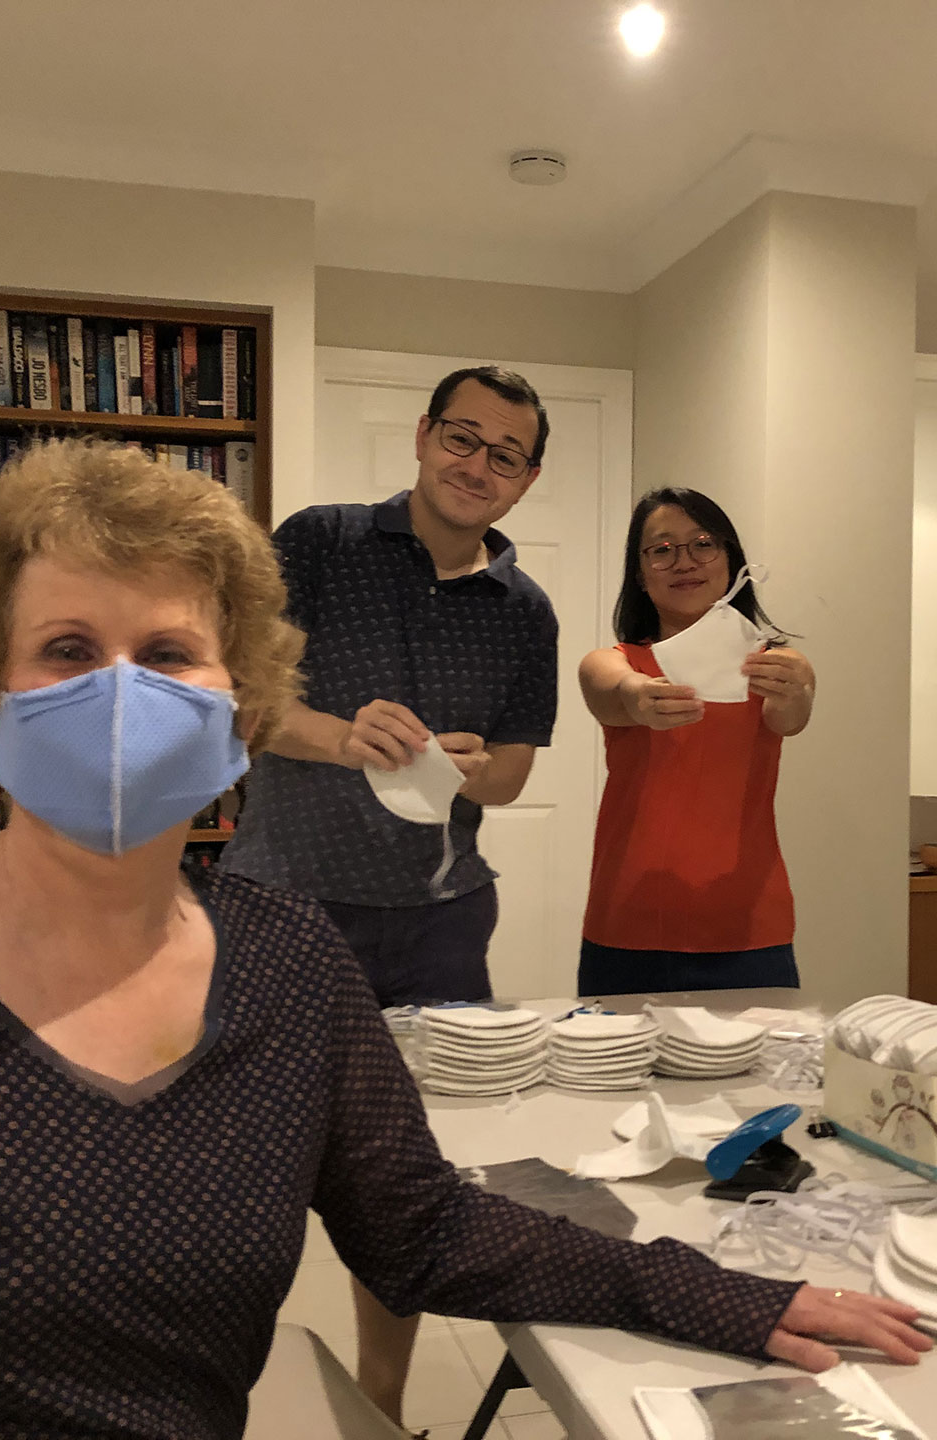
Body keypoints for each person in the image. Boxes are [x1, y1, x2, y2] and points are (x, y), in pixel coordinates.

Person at [0, 440, 927, 1440]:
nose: (120, 691)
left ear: (239, 712)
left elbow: (429, 1232)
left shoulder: (286, 966)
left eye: (166, 654)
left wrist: (733, 1297)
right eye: (65, 651)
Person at [218, 365, 557, 1420]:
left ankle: (381, 1401)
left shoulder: (526, 612)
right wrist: (345, 736)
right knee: (240, 1169)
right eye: (464, 437)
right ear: (422, 436)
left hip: (440, 925)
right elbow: (237, 697)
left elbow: (513, 769)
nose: (478, 465)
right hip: (284, 903)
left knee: (402, 1186)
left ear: (527, 480)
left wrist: (467, 768)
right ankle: (212, 1386)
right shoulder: (319, 542)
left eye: (506, 454)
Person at [576, 487, 816, 995]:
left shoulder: (773, 667)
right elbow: (608, 688)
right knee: (617, 1074)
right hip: (629, 925)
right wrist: (640, 696)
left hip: (748, 924)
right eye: (661, 549)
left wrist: (798, 691)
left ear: (731, 561)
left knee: (761, 1077)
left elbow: (789, 717)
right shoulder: (616, 662)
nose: (683, 561)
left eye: (702, 544)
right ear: (640, 575)